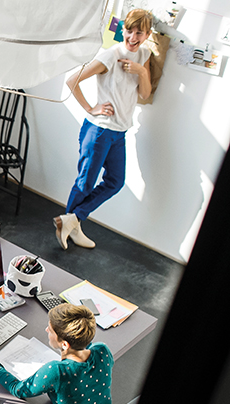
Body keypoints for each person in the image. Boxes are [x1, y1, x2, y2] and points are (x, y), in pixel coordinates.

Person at [56, 9, 152, 250]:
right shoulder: (111, 55)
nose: (132, 37)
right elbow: (72, 81)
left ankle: (72, 220)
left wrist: (141, 71)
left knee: (115, 181)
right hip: (99, 131)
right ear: (123, 30)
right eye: (129, 30)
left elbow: (145, 93)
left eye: (139, 33)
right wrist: (91, 108)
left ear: (147, 34)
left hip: (120, 132)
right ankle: (69, 228)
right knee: (85, 183)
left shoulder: (145, 54)